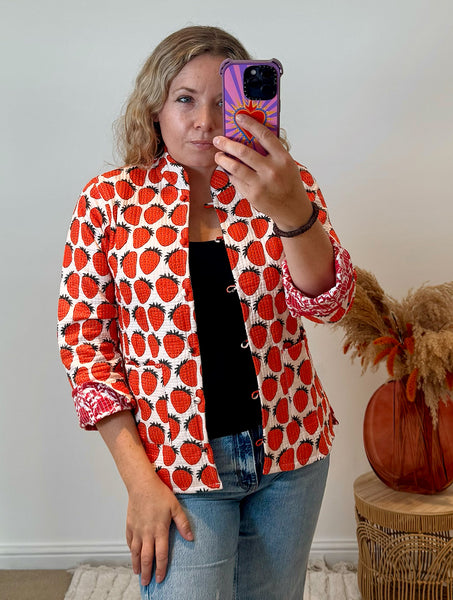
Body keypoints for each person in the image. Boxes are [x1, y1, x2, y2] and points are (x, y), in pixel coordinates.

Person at [57, 25, 355, 600]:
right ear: (155, 108)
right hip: (178, 464)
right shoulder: (108, 202)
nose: (205, 120)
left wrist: (291, 209)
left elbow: (329, 303)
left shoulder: (287, 186)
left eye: (223, 102)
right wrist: (139, 482)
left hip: (291, 452)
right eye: (185, 99)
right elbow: (86, 349)